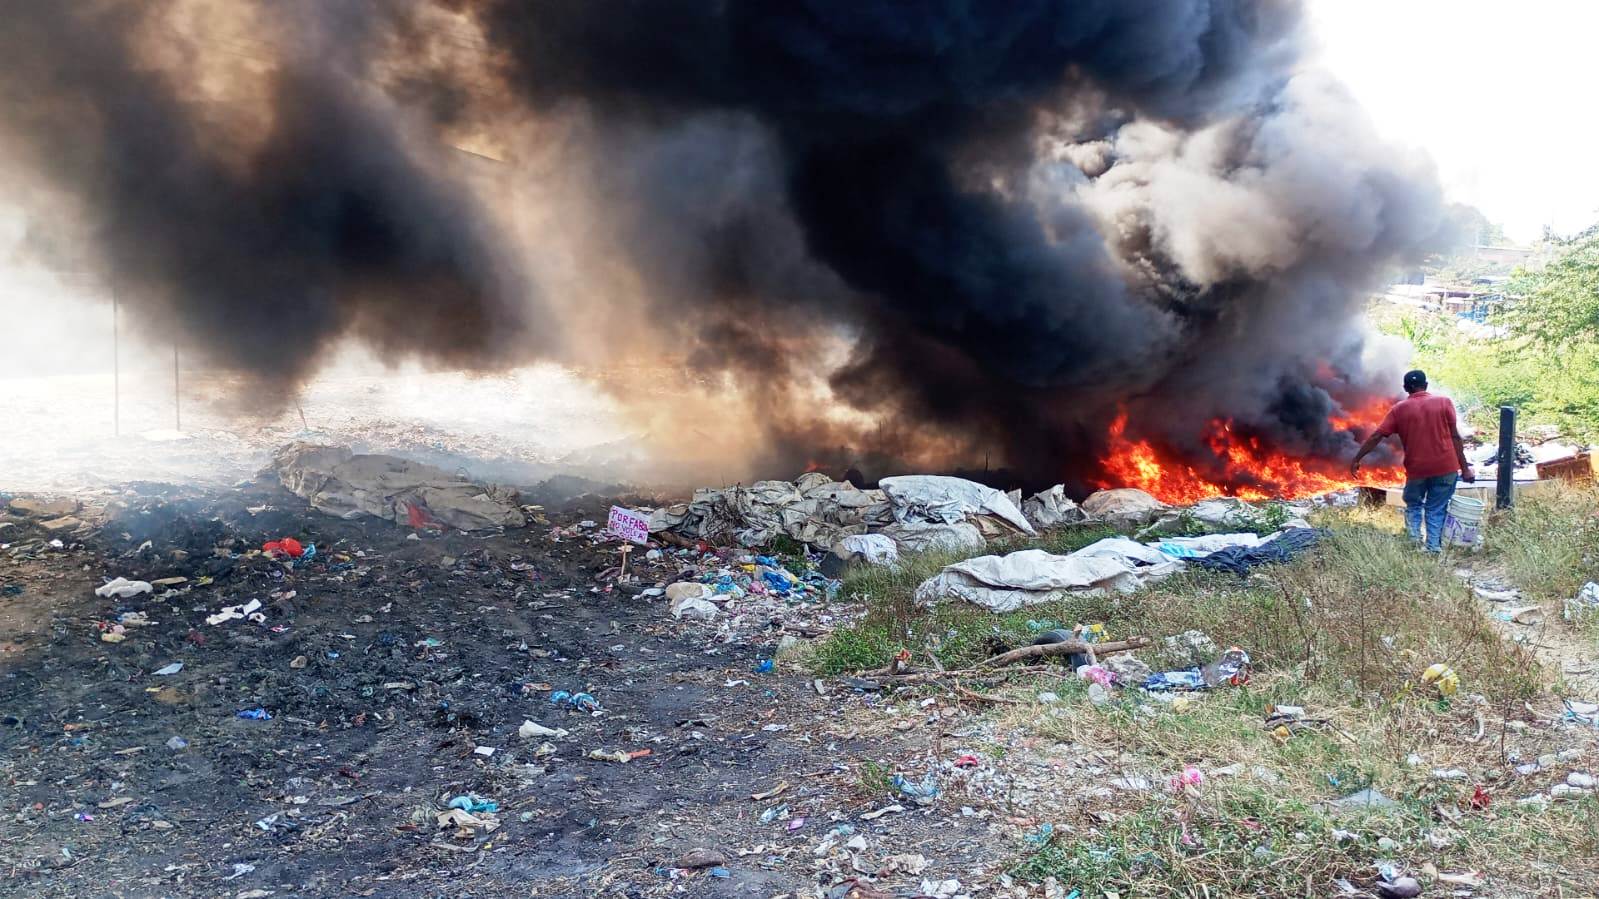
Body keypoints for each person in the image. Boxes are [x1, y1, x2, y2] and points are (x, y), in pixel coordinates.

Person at [1350, 370, 1475, 551]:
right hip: (1446, 468)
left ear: (1406, 388)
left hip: (1417, 470)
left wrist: (1357, 458)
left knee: (1414, 505)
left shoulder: (1398, 410)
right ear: (1426, 385)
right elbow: (1455, 437)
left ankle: (1414, 543)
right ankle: (1433, 548)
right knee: (1436, 508)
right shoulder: (1444, 402)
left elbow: (1377, 436)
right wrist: (1465, 469)